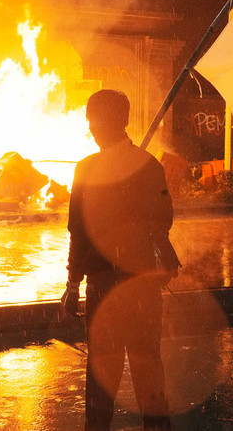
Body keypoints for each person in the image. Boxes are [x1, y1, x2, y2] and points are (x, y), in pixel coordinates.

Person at [60, 89, 174, 430]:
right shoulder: (148, 165)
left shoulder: (87, 169)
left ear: (107, 122)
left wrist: (72, 283)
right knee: (147, 370)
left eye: (93, 120)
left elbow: (77, 232)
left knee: (103, 376)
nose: (90, 127)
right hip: (141, 286)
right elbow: (164, 218)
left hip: (105, 288)